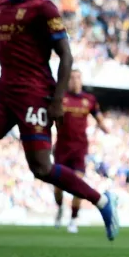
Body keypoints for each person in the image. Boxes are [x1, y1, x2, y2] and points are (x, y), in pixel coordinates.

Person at [0, 0, 119, 240]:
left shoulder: (44, 8)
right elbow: (10, 51)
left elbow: (66, 56)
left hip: (35, 96)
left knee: (42, 168)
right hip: (3, 92)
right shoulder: (0, 7)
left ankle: (102, 200)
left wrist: (58, 100)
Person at [53, 68, 109, 233]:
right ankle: (60, 207)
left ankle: (73, 219)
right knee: (58, 187)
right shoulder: (61, 98)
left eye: (78, 77)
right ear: (67, 80)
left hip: (79, 149)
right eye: (72, 77)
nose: (75, 80)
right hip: (62, 148)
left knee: (78, 183)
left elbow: (98, 117)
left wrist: (105, 127)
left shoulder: (89, 99)